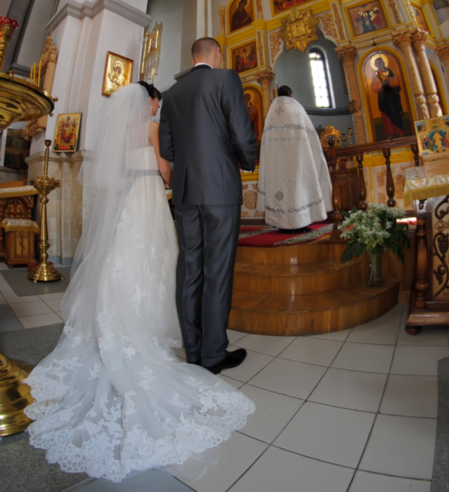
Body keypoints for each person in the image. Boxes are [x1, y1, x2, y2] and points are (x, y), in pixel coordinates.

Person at [24, 81, 254, 483]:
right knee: (157, 255)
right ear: (148, 101)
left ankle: (122, 314)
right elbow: (165, 167)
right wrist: (174, 181)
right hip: (149, 194)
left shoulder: (124, 131)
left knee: (126, 255)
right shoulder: (150, 126)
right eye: (156, 101)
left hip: (130, 195)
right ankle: (150, 321)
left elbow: (116, 172)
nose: (157, 107)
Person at [159, 38, 257, 375]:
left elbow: (167, 148)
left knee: (189, 270)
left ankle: (194, 349)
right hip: (219, 188)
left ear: (193, 57)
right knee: (217, 270)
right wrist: (248, 161)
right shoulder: (225, 78)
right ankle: (213, 353)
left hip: (186, 192)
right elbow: (241, 132)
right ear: (216, 54)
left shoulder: (172, 93)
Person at [258, 86, 332, 232]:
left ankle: (282, 226)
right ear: (291, 95)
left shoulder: (271, 113)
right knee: (297, 191)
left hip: (276, 165)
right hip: (297, 162)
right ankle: (300, 224)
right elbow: (311, 135)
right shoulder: (296, 109)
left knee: (280, 191)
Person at [370, 57, 406, 139]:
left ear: (383, 63)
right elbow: (373, 87)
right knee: (386, 115)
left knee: (395, 113)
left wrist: (393, 83)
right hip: (383, 97)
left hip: (392, 96)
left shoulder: (388, 71)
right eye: (377, 63)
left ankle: (400, 131)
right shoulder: (375, 74)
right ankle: (390, 133)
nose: (379, 64)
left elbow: (394, 81)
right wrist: (378, 84)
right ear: (375, 65)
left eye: (380, 62)